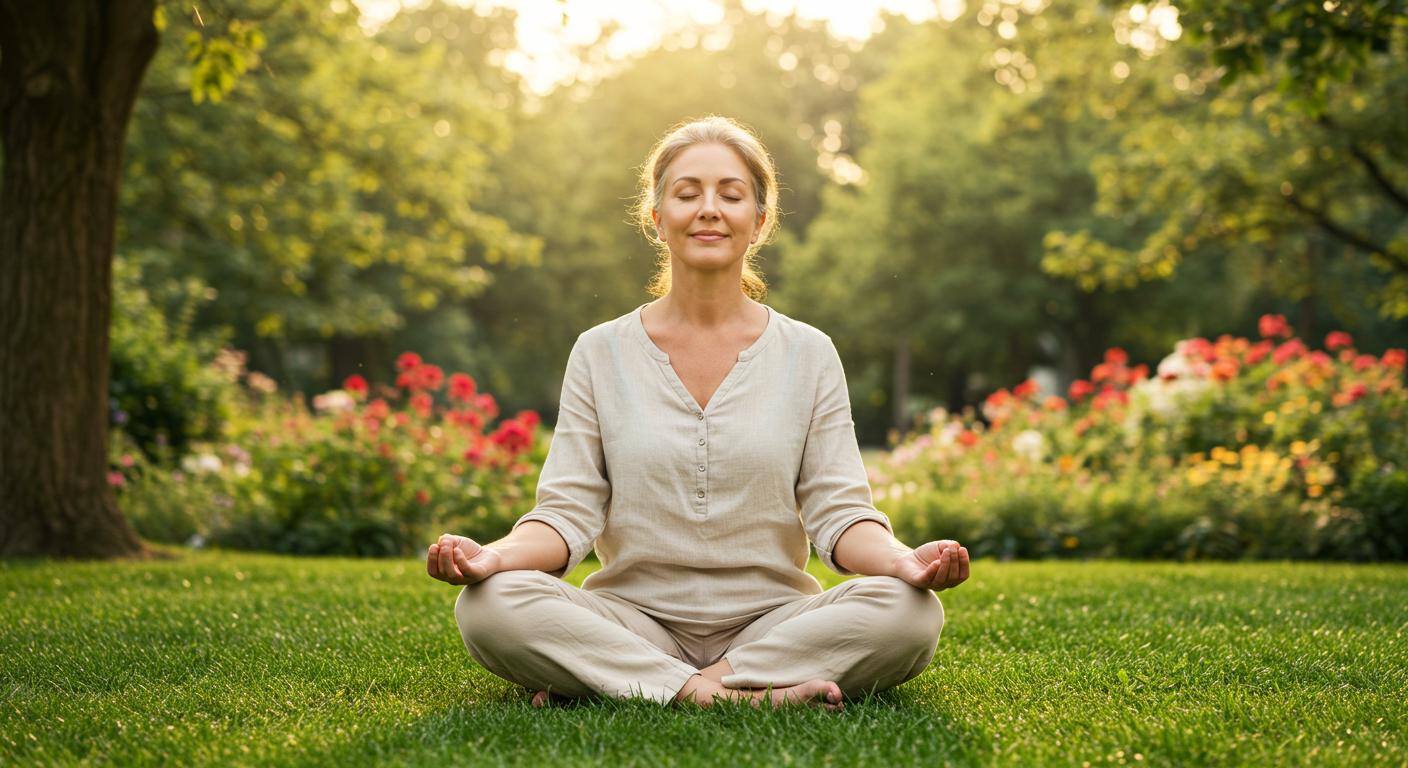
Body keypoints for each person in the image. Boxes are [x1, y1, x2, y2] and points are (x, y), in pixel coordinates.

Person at [427, 116, 970, 710]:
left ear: (758, 222)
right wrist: (495, 557)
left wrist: (900, 562)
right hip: (631, 620)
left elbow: (839, 511)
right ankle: (732, 697)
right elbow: (567, 511)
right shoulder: (599, 350)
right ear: (657, 217)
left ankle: (626, 684)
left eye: (730, 195)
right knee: (488, 604)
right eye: (687, 194)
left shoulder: (808, 353)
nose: (708, 209)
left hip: (772, 625)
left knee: (909, 612)